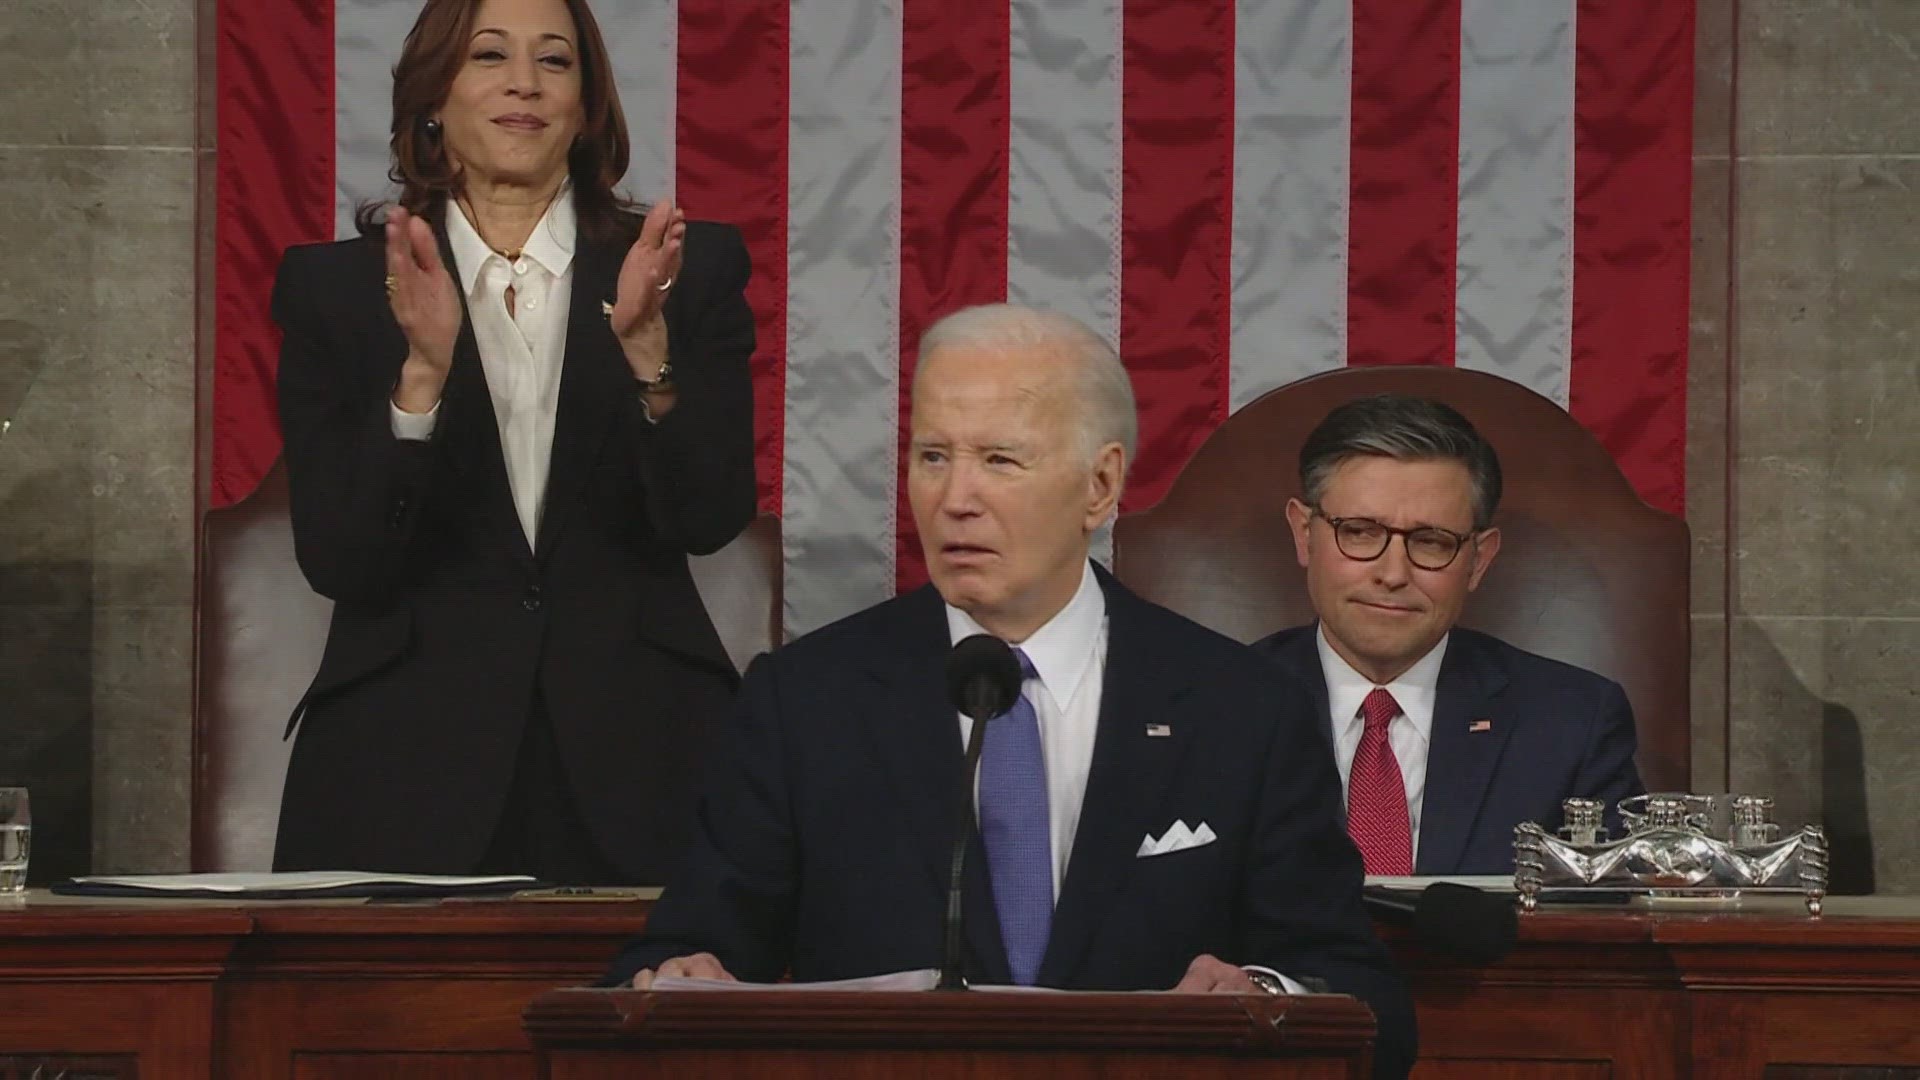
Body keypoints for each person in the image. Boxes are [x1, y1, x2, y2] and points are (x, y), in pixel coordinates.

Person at [605, 304, 1416, 1079]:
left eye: (999, 460)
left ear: (1100, 486)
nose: (956, 497)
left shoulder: (1244, 708)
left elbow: (1366, 998)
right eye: (933, 456)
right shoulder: (806, 703)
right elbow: (678, 958)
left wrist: (1267, 997)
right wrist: (674, 982)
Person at [270, 0, 756, 885]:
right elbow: (341, 559)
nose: (524, 82)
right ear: (432, 98)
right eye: (489, 56)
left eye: (555, 61)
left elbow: (709, 515)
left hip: (642, 753)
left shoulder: (692, 270)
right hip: (400, 765)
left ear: (586, 105)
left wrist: (652, 355)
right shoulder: (334, 291)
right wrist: (420, 376)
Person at [1253, 395, 1643, 876]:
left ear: (1478, 560)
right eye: (1358, 532)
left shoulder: (1573, 724)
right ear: (1303, 533)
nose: (1393, 573)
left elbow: (1610, 930)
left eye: (1432, 541)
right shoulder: (1216, 707)